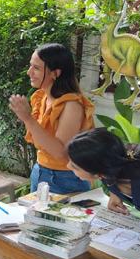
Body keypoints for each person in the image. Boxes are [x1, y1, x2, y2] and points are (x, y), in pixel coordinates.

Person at [9, 43, 95, 195]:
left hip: (66, 179)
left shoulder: (72, 105)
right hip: (40, 171)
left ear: (55, 73)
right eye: (30, 66)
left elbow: (61, 153)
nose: (29, 72)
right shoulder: (42, 97)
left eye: (36, 68)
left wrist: (28, 119)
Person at [67, 128, 140, 225]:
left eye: (75, 166)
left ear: (98, 171)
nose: (68, 166)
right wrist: (115, 194)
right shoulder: (110, 167)